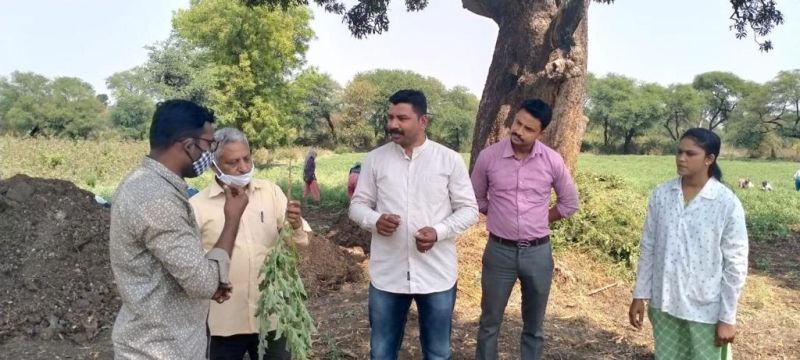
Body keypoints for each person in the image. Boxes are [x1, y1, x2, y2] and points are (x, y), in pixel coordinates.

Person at [110, 100, 249, 359]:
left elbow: (185, 268)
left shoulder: (147, 185)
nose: (210, 153)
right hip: (159, 349)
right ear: (187, 145)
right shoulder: (157, 200)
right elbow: (203, 284)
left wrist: (211, 280)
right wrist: (232, 219)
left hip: (169, 342)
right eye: (209, 145)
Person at [349, 89, 479, 360]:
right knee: (382, 352)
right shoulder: (375, 159)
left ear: (423, 121)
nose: (393, 124)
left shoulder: (449, 160)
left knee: (437, 352)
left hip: (436, 274)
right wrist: (375, 220)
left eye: (402, 118)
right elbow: (357, 205)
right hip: (388, 275)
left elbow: (469, 209)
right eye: (390, 117)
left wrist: (438, 231)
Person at [470, 99, 579, 360]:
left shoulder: (552, 161)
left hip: (538, 254)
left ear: (541, 133)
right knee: (489, 322)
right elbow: (475, 199)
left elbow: (569, 203)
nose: (519, 130)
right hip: (499, 252)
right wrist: (499, 215)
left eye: (528, 128)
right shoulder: (489, 157)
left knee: (534, 326)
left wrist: (541, 218)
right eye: (517, 123)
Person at [190, 128, 311, 360]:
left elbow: (299, 245)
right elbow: (194, 268)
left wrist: (294, 226)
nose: (244, 168)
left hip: (272, 315)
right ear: (214, 166)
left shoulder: (271, 193)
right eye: (233, 162)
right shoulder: (197, 206)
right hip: (222, 324)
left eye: (247, 158)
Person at [629, 128, 748, 360]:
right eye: (679, 152)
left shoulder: (726, 203)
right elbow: (649, 247)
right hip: (664, 303)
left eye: (690, 153)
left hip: (705, 309)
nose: (681, 158)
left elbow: (736, 264)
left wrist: (727, 317)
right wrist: (640, 295)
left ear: (709, 159)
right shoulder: (662, 195)